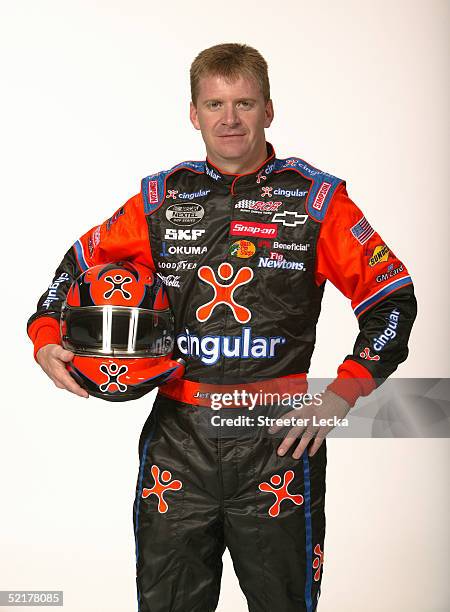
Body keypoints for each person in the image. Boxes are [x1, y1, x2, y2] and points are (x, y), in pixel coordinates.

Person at [27, 43, 417, 612]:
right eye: (215, 103)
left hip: (278, 442)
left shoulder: (317, 202)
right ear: (194, 113)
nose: (229, 119)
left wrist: (343, 391)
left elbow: (393, 299)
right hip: (178, 442)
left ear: (268, 110)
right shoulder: (159, 201)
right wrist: (45, 341)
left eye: (244, 103)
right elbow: (72, 272)